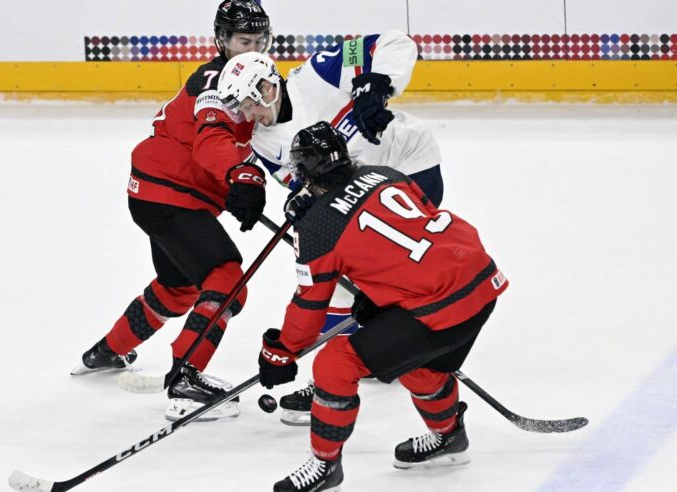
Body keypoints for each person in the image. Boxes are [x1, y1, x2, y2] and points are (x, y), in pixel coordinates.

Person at [256, 122, 508, 491]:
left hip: (437, 307)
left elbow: (310, 306)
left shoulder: (317, 229)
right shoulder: (385, 174)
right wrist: (381, 298)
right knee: (415, 363)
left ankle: (324, 466)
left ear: (306, 175)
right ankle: (449, 436)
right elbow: (412, 235)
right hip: (481, 283)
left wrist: (280, 353)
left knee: (335, 362)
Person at [217, 31, 444, 424]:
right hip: (365, 190)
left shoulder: (318, 74)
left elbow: (394, 42)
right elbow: (310, 185)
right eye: (241, 110)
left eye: (250, 104)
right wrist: (303, 200)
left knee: (387, 267)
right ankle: (369, 354)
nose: (249, 116)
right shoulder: (265, 143)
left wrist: (378, 82)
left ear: (269, 85)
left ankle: (413, 340)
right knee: (346, 274)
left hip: (409, 162)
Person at [71, 0, 272, 422]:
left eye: (259, 40)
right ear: (222, 40)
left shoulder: (255, 77)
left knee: (178, 287)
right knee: (227, 281)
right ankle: (186, 375)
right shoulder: (215, 83)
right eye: (243, 41)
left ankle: (106, 351)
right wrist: (240, 175)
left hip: (159, 192)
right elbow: (212, 140)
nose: (253, 47)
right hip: (171, 195)